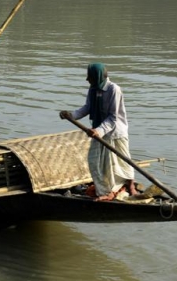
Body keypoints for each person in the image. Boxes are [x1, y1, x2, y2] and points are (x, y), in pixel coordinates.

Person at [59, 63, 137, 201]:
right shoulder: (93, 89)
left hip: (116, 132)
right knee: (95, 162)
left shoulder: (114, 89)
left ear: (97, 76)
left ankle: (131, 186)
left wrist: (99, 131)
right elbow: (88, 107)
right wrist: (71, 115)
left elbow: (113, 117)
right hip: (98, 132)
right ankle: (106, 190)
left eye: (89, 76)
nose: (87, 79)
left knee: (123, 161)